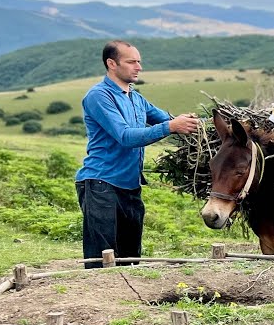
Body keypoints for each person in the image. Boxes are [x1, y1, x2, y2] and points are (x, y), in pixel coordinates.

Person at [75, 40, 199, 268]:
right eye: (131, 62)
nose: (138, 67)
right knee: (102, 260)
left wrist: (204, 125)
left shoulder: (136, 98)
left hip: (130, 186)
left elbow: (168, 119)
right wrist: (171, 126)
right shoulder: (99, 96)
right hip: (101, 184)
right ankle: (99, 303)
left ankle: (125, 302)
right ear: (111, 63)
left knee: (130, 258)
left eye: (139, 61)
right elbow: (126, 136)